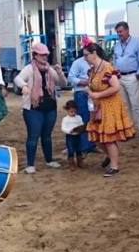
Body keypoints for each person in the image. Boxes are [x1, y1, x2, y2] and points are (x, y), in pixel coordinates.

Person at [83, 43, 136, 177]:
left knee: (108, 137)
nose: (85, 58)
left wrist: (97, 95)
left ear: (94, 53)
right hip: (98, 105)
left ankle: (114, 165)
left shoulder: (106, 68)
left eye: (86, 55)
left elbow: (116, 87)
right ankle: (111, 157)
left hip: (109, 105)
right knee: (96, 135)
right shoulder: (94, 69)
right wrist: (92, 93)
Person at [14, 43, 67, 175]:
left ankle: (49, 160)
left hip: (50, 107)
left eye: (46, 54)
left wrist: (60, 73)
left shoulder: (50, 70)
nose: (45, 57)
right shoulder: (29, 69)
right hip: (33, 108)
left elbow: (63, 84)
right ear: (35, 55)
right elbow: (17, 78)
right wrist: (24, 86)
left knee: (47, 136)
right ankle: (30, 165)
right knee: (33, 136)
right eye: (42, 54)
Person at [113, 21, 139, 141]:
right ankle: (129, 130)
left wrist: (138, 74)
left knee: (135, 105)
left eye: (121, 31)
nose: (119, 34)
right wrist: (115, 73)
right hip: (120, 77)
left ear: (127, 30)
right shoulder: (117, 45)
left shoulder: (137, 43)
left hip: (132, 76)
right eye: (118, 32)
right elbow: (115, 60)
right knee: (124, 106)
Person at [67, 36, 96, 154]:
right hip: (82, 92)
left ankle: (91, 144)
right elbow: (71, 77)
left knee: (92, 118)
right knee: (83, 119)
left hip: (93, 93)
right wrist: (82, 82)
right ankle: (84, 146)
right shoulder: (77, 62)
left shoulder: (95, 63)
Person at [61, 100, 85, 170]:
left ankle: (80, 162)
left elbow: (82, 125)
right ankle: (71, 163)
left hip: (78, 136)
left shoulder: (79, 117)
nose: (73, 113)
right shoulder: (65, 119)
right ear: (67, 110)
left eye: (74, 111)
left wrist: (80, 129)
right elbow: (63, 128)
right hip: (70, 137)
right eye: (71, 112)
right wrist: (69, 131)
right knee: (70, 150)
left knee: (79, 149)